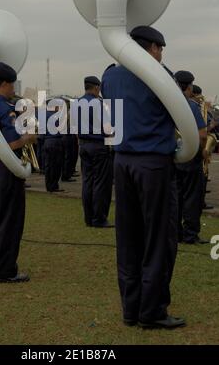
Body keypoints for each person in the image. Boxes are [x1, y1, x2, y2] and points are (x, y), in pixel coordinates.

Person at [101, 25, 185, 329]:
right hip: (153, 163)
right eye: (160, 49)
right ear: (152, 48)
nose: (162, 55)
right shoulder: (159, 73)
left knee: (128, 238)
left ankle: (131, 308)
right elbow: (180, 115)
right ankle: (152, 312)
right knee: (158, 239)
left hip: (122, 162)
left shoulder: (109, 75)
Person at [0, 62, 36, 283]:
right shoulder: (5, 109)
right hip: (5, 168)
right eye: (11, 84)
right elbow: (9, 143)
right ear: (4, 84)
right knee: (9, 222)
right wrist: (28, 138)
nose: (13, 88)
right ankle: (5, 271)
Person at [174, 71, 208, 244]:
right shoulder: (191, 106)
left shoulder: (168, 104)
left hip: (174, 157)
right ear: (189, 86)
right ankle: (190, 234)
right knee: (193, 198)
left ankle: (177, 233)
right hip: (191, 157)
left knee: (177, 196)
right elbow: (202, 135)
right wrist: (203, 150)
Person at [78, 76, 113, 228]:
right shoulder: (99, 104)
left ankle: (88, 217)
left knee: (87, 182)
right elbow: (108, 128)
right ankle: (99, 218)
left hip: (84, 145)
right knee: (101, 183)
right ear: (97, 87)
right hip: (98, 146)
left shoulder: (77, 103)